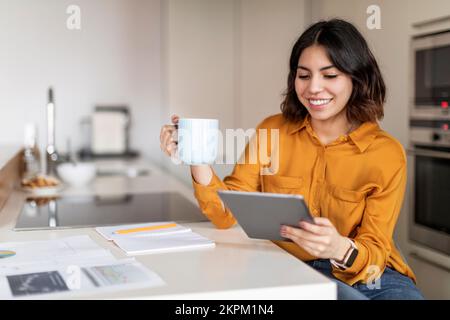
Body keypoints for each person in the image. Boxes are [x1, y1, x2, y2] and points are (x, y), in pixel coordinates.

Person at [160, 19, 424, 300]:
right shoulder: (272, 130)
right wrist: (195, 156)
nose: (313, 88)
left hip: (371, 274)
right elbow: (226, 215)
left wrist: (338, 248)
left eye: (330, 75)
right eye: (304, 75)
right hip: (289, 266)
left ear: (357, 79)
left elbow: (375, 245)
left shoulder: (386, 152)